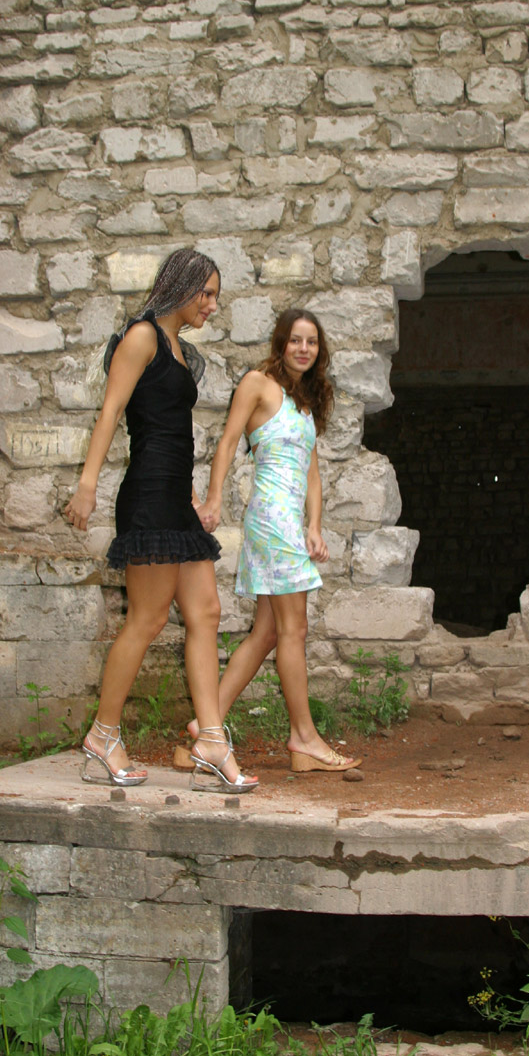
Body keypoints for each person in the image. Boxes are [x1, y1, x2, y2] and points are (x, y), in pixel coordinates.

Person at [64, 248, 258, 795]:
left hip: (174, 496)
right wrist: (87, 486)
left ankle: (212, 741)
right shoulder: (142, 337)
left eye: (215, 296)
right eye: (207, 293)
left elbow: (174, 429)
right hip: (148, 495)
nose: (212, 305)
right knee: (147, 620)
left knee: (206, 612)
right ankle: (103, 736)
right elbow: (111, 412)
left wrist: (193, 494)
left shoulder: (179, 348)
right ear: (182, 285)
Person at [192, 308, 361, 773]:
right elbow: (229, 442)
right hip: (271, 520)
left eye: (312, 342)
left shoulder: (304, 403)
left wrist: (315, 526)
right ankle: (303, 737)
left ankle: (206, 725)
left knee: (268, 632)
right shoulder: (257, 384)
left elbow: (311, 470)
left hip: (289, 525)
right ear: (281, 343)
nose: (304, 349)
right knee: (294, 630)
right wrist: (214, 499)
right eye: (296, 340)